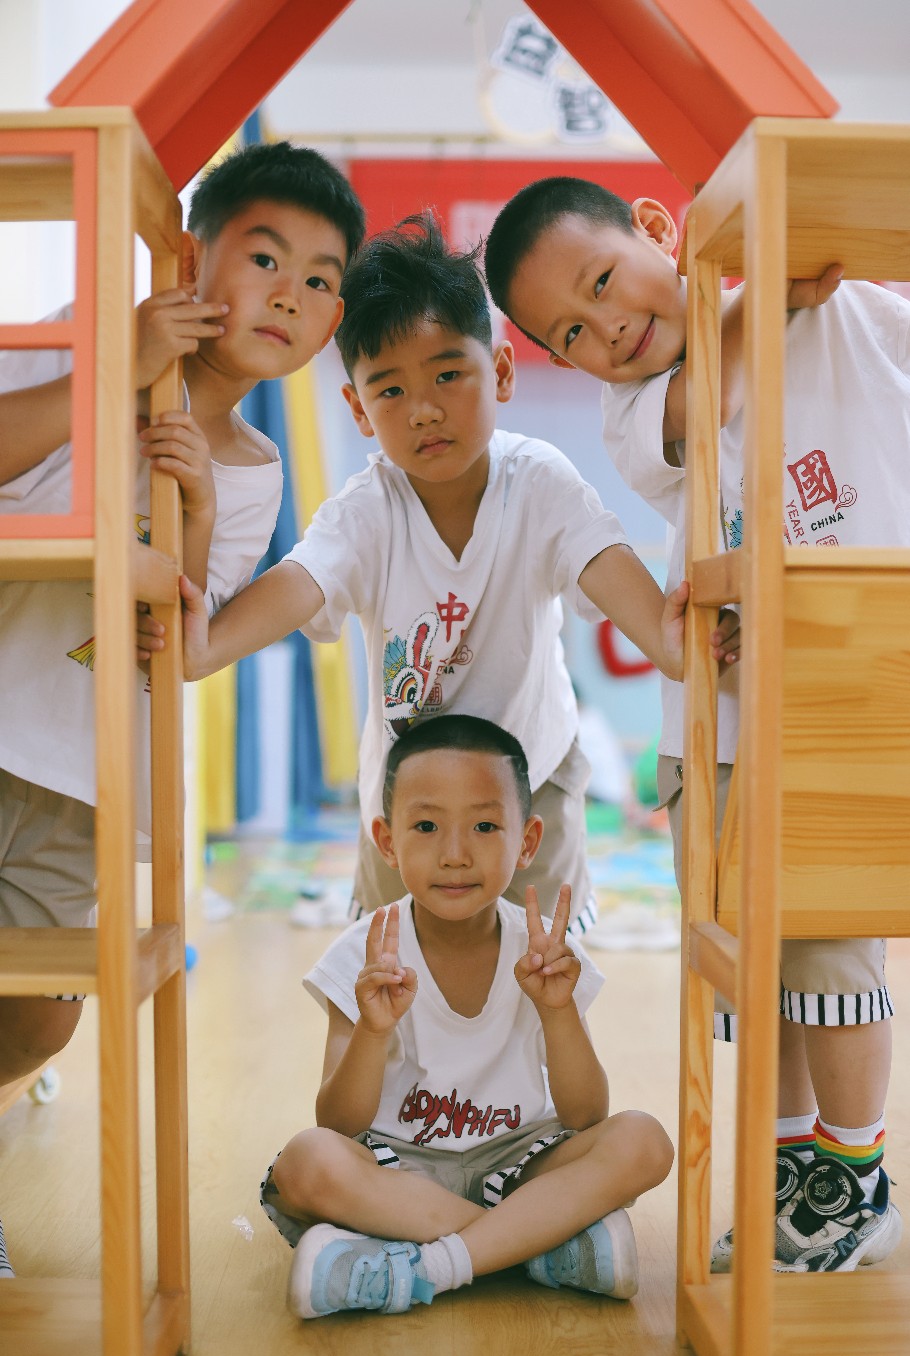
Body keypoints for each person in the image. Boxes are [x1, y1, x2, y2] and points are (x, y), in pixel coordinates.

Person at [483, 176, 907, 1272]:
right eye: (570, 335)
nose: (607, 331)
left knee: (833, 937)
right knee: (751, 952)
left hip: (852, 694)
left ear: (656, 229)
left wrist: (806, 274)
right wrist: (764, 289)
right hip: (716, 728)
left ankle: (855, 1178)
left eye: (603, 282)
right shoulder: (638, 412)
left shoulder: (852, 310)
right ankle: (792, 1168)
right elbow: (702, 397)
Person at [0, 140, 365, 1275]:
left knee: (44, 1009)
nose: (289, 295)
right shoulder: (78, 336)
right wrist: (116, 364)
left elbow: (168, 643)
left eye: (318, 281)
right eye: (265, 258)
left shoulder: (251, 467)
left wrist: (197, 517)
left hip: (81, 768)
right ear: (188, 258)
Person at [169, 213, 736, 938]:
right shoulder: (368, 512)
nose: (424, 410)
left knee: (542, 970)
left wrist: (680, 640)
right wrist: (206, 646)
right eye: (390, 391)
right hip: (406, 804)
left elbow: (629, 595)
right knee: (389, 978)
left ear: (500, 371)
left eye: (447, 374)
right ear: (358, 409)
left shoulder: (540, 484)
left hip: (532, 784)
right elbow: (301, 581)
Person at [260, 713, 675, 1318]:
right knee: (306, 1162)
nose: (455, 855)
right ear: (387, 841)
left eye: (484, 826)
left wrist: (558, 1012)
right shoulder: (363, 953)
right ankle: (537, 1244)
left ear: (527, 841)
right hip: (399, 1174)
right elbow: (338, 1125)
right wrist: (373, 1031)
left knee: (645, 1140)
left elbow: (587, 1117)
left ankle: (423, 1266)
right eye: (426, 826)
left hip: (520, 1162)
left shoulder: (544, 950)